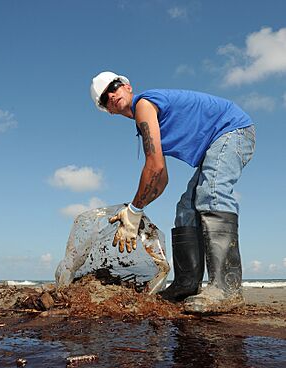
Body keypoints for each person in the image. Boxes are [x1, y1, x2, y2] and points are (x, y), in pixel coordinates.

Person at [90, 71, 256, 314]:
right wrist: (135, 210)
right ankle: (186, 284)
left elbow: (154, 167)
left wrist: (134, 210)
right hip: (216, 142)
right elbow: (161, 179)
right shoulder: (144, 121)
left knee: (212, 192)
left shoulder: (145, 105)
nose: (112, 95)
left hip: (232, 130)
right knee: (185, 210)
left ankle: (226, 288)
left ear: (127, 86)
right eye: (105, 98)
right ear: (108, 111)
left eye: (113, 87)